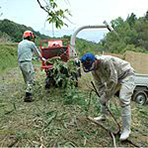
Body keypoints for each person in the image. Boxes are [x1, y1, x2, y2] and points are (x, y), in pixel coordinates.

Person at [81, 53, 135, 141]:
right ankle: (104, 115)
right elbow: (99, 84)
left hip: (126, 75)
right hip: (116, 78)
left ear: (95, 60)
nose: (92, 69)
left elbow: (113, 80)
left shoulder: (106, 61)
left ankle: (126, 129)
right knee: (103, 96)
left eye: (91, 66)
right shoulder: (94, 69)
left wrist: (105, 96)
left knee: (123, 99)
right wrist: (102, 96)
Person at [18, 30, 46, 102]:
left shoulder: (20, 44)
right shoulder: (31, 44)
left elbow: (24, 54)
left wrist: (32, 58)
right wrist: (42, 58)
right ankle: (28, 96)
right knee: (31, 78)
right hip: (27, 63)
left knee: (26, 79)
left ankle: (28, 91)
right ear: (30, 37)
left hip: (21, 63)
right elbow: (38, 53)